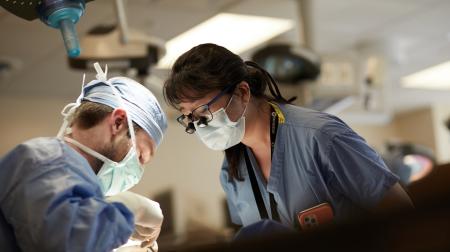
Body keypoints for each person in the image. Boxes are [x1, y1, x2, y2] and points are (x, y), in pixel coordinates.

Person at [163, 43, 413, 231]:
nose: (199, 123)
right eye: (189, 117)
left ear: (242, 92)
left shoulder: (320, 137)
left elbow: (403, 216)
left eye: (204, 110)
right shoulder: (232, 171)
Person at [0, 63, 168, 251]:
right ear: (118, 123)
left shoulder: (70, 179)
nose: (138, 170)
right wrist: (132, 209)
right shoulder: (44, 161)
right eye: (141, 155)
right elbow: (64, 243)